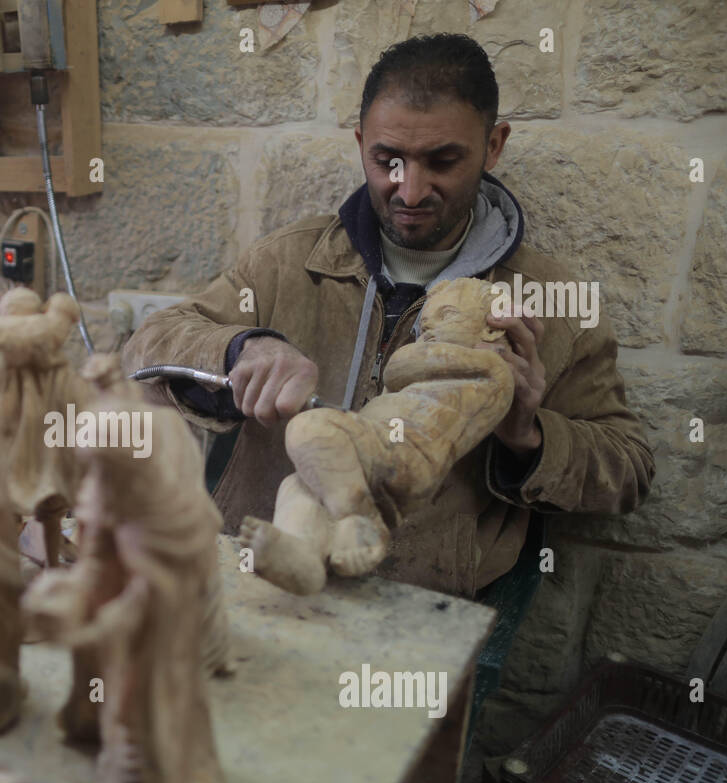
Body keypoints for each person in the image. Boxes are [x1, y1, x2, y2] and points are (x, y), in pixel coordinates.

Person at [122, 32, 654, 598]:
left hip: (420, 605)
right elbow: (148, 345)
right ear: (360, 144)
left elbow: (628, 470)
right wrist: (240, 351)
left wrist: (527, 434)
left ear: (493, 146)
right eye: (387, 160)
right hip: (265, 583)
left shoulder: (550, 298)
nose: (411, 188)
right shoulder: (288, 260)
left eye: (443, 160)